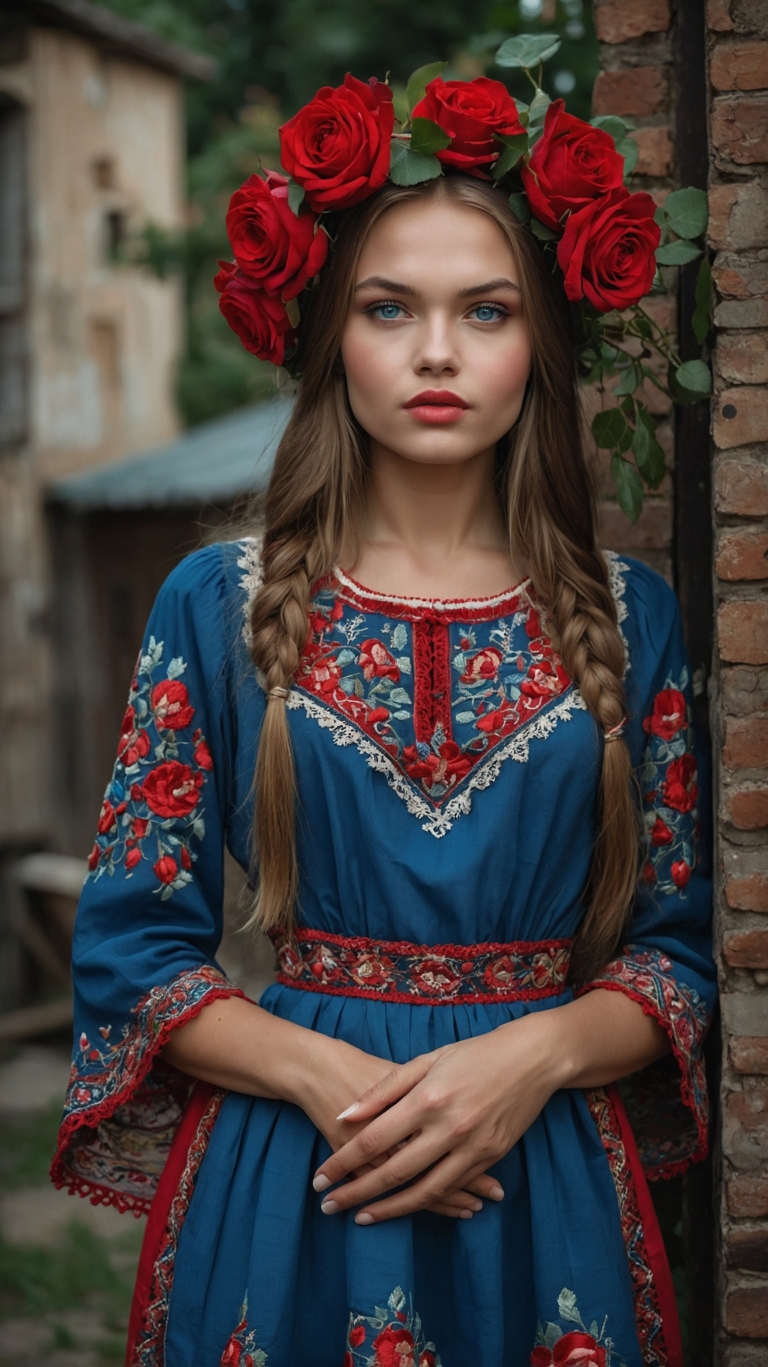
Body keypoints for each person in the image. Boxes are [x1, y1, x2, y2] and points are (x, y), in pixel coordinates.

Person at [52, 71, 715, 1367]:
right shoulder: (219, 603)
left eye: (486, 310)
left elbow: (681, 955)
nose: (435, 352)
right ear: (327, 337)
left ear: (543, 344)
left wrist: (524, 1063)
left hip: (544, 1187)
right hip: (298, 1178)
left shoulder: (631, 617)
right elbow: (134, 950)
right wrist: (335, 1082)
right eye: (387, 307)